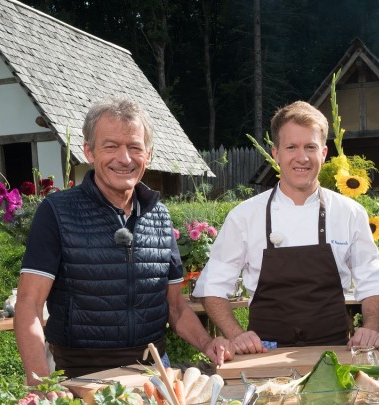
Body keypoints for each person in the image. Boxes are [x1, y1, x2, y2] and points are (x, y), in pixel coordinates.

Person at [14, 97, 231, 386]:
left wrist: (206, 344)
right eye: (111, 146)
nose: (124, 158)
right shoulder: (57, 212)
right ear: (89, 151)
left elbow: (175, 307)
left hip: (154, 373)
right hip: (81, 377)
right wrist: (40, 384)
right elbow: (29, 304)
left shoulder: (159, 215)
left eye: (134, 147)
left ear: (148, 154)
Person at [193, 101, 379, 353]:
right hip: (263, 354)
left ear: (324, 153)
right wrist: (237, 335)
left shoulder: (349, 213)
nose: (302, 158)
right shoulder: (244, 216)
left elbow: (372, 282)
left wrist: (371, 327)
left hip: (333, 354)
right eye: (291, 147)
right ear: (276, 154)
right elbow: (213, 287)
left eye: (310, 147)